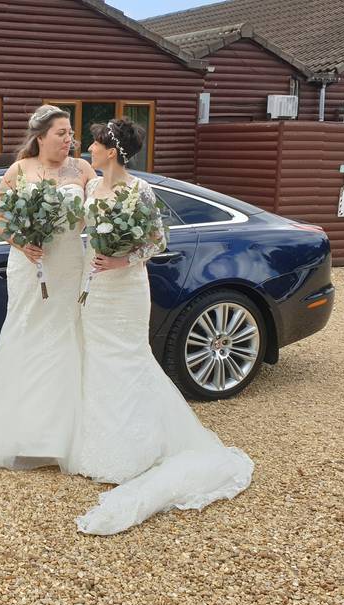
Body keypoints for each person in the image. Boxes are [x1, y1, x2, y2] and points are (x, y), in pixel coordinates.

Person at [71, 118, 254, 535]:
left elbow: (156, 240)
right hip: (93, 285)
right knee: (97, 359)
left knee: (129, 359)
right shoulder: (91, 187)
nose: (89, 148)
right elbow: (82, 229)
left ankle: (137, 449)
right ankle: (101, 446)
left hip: (125, 285)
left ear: (111, 151)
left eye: (95, 144)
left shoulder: (140, 191)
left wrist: (122, 259)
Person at [0, 104, 95, 470]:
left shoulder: (82, 169)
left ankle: (63, 434)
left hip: (68, 262)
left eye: (71, 134)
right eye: (61, 133)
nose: (69, 140)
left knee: (66, 334)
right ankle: (20, 432)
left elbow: (94, 213)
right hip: (29, 262)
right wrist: (22, 240)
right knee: (27, 331)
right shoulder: (20, 169)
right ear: (40, 137)